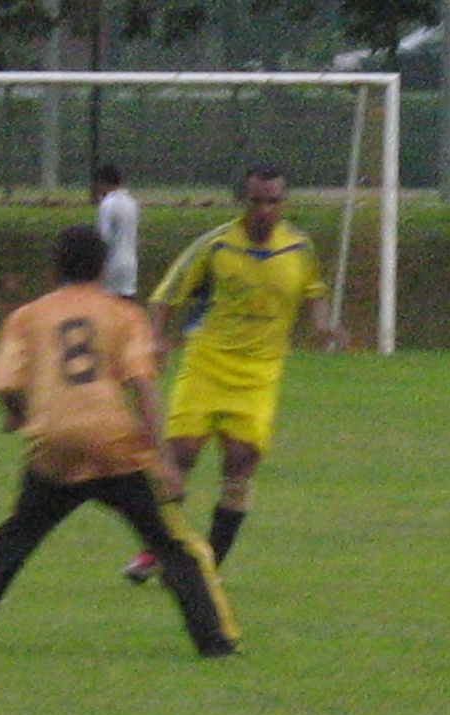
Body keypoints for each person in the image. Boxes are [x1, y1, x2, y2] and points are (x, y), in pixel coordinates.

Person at [0, 225, 240, 658]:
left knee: (14, 537)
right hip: (116, 445)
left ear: (55, 267)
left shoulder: (27, 316)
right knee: (170, 545)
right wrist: (165, 460)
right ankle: (214, 643)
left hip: (54, 448)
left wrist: (17, 416)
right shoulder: (121, 314)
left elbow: (4, 384)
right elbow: (143, 388)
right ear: (104, 268)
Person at [122, 166, 342, 584]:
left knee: (240, 464)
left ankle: (206, 566)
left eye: (273, 201)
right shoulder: (216, 244)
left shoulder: (299, 248)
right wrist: (154, 341)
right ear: (243, 202)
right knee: (180, 454)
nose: (264, 209)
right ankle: (154, 550)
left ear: (284, 203)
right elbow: (166, 295)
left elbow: (314, 293)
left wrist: (323, 326)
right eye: (256, 201)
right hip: (208, 363)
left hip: (260, 372)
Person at [93, 163, 140, 299]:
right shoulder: (131, 202)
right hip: (130, 264)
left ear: (103, 183)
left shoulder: (108, 204)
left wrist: (98, 266)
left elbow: (104, 238)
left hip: (111, 264)